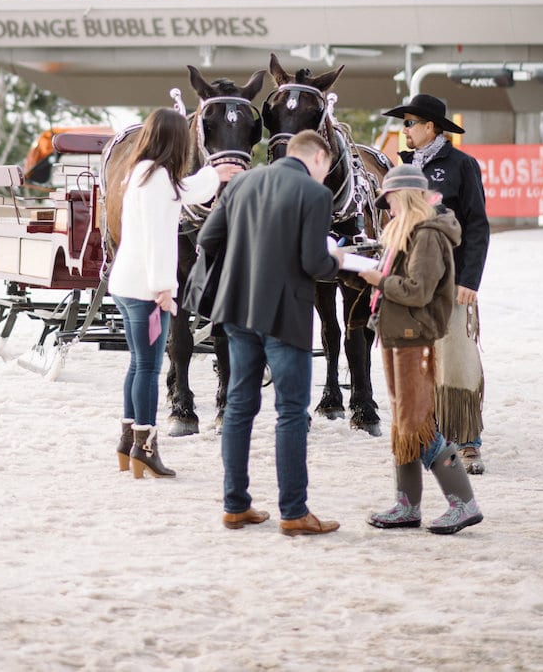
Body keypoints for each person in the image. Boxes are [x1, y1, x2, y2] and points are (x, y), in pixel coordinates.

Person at [196, 130, 344, 535]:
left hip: (236, 308)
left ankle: (235, 505)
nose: (324, 176)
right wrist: (338, 260)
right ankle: (294, 512)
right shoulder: (315, 195)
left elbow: (209, 238)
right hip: (285, 315)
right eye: (326, 168)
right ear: (317, 158)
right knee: (291, 413)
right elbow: (314, 262)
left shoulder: (242, 181)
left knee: (239, 407)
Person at [357, 163, 483, 534]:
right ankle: (406, 505)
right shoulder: (411, 232)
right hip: (398, 334)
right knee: (405, 424)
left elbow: (418, 291)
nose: (387, 208)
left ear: (405, 197)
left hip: (415, 336)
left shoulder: (427, 235)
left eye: (390, 200)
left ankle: (464, 504)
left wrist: (377, 277)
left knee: (418, 424)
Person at [109, 107, 220, 479]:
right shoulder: (158, 181)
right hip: (146, 289)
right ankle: (146, 446)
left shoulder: (142, 172)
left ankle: (128, 442)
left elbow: (185, 192)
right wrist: (164, 290)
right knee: (150, 368)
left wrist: (215, 175)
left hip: (125, 283)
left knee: (136, 364)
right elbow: (159, 239)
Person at [381, 92, 490, 475]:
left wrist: (470, 280)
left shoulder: (462, 165)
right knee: (422, 358)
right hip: (412, 279)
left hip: (452, 280)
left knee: (457, 356)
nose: (404, 129)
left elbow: (477, 225)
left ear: (431, 127)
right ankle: (432, 435)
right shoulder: (403, 166)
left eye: (409, 123)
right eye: (404, 123)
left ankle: (468, 440)